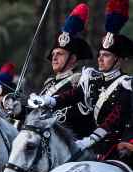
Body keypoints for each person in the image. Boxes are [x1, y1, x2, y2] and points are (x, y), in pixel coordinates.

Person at [30, 0, 132, 163]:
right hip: (96, 150)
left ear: (118, 60)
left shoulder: (126, 84)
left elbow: (114, 118)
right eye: (100, 54)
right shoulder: (94, 80)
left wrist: (90, 139)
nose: (100, 59)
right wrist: (49, 100)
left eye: (106, 56)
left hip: (120, 149)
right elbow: (72, 95)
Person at [7, 4, 95, 138]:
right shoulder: (49, 84)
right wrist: (17, 108)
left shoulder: (79, 81)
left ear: (72, 59)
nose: (54, 57)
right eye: (53, 53)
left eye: (60, 53)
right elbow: (34, 114)